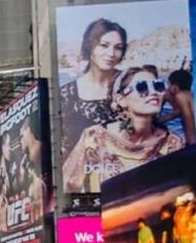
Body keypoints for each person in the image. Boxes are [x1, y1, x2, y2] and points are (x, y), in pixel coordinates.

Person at [64, 65, 184, 193]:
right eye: (142, 87)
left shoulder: (173, 143)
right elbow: (67, 189)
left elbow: (180, 191)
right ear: (121, 100)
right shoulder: (94, 138)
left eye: (158, 86)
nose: (154, 92)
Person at [60, 18, 127, 194]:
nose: (111, 53)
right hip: (86, 192)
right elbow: (65, 149)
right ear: (90, 47)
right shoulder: (67, 94)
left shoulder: (132, 85)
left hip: (131, 181)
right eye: (104, 45)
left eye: (118, 48)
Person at [158, 69, 196, 144]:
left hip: (192, 139)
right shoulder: (189, 95)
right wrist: (176, 113)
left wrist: (192, 145)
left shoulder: (181, 96)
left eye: (169, 84)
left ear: (175, 87)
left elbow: (189, 121)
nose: (167, 87)